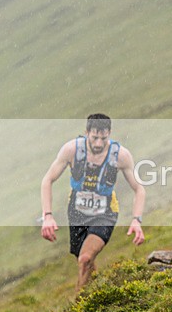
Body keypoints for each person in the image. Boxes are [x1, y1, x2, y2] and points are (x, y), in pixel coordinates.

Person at [41, 114, 146, 291]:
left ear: (109, 134)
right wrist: (48, 216)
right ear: (87, 132)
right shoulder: (71, 150)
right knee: (85, 261)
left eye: (103, 139)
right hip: (76, 213)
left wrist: (137, 220)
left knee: (85, 259)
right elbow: (47, 180)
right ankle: (100, 294)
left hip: (105, 213)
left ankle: (76, 308)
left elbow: (139, 188)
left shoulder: (120, 155)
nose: (98, 143)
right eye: (94, 138)